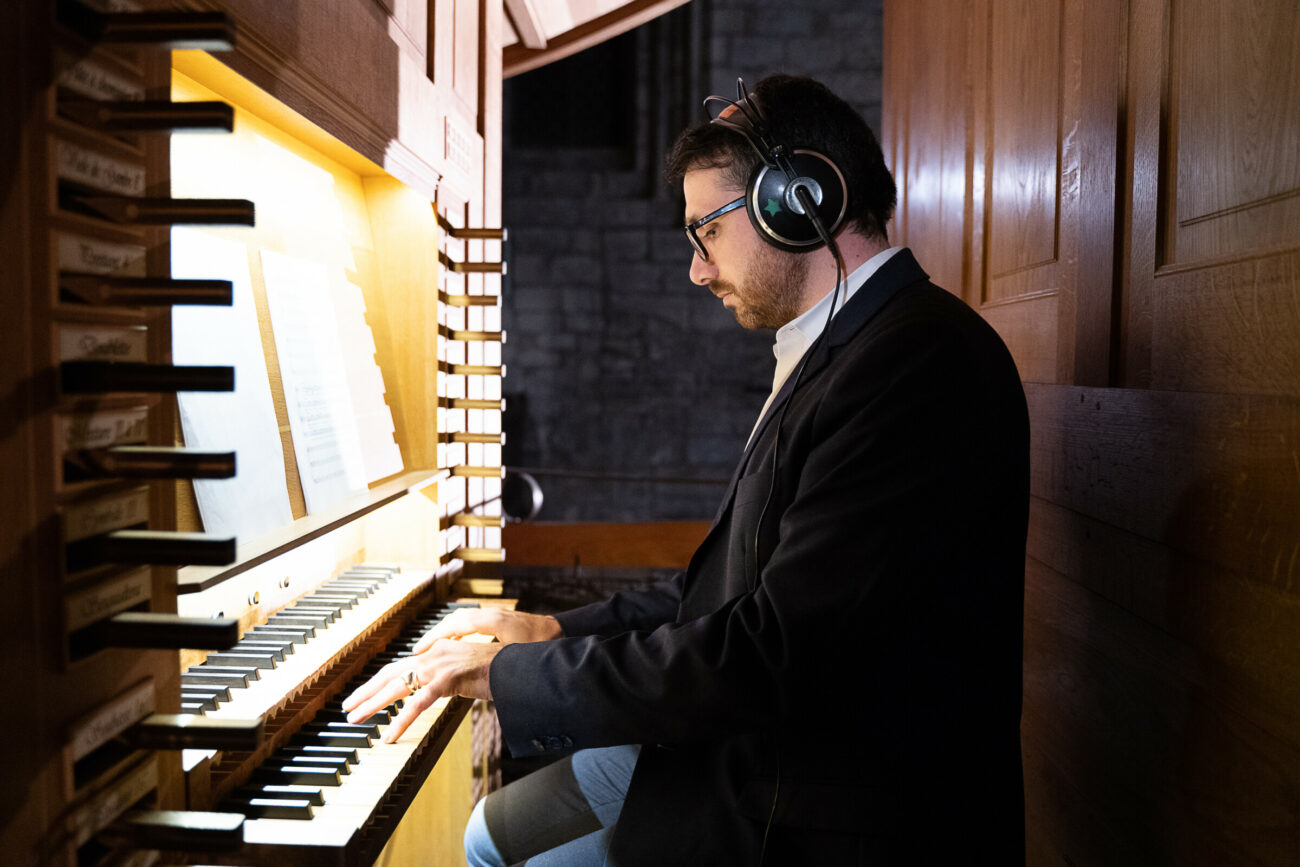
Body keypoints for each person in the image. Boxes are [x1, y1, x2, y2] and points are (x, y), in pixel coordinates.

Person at [344, 73, 1029, 865]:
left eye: (705, 230)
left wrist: (519, 677)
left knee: (502, 850)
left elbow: (770, 651)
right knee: (493, 830)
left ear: (798, 201)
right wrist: (551, 630)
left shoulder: (915, 363)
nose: (698, 270)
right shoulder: (848, 345)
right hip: (761, 750)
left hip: (823, 810)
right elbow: (721, 593)